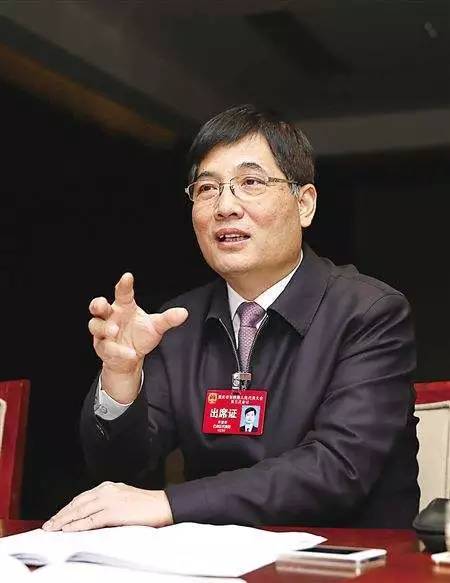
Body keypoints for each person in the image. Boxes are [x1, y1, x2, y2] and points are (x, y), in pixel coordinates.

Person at [43, 104, 419, 533]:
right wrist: (121, 377)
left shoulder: (370, 313)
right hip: (213, 559)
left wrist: (170, 503)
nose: (225, 206)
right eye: (207, 188)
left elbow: (337, 469)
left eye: (250, 183)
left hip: (347, 558)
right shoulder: (177, 322)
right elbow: (119, 471)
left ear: (304, 204)